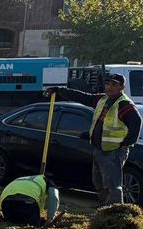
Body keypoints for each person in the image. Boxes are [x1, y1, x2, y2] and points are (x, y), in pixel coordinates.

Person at [48, 74, 141, 205]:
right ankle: (104, 208)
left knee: (112, 185)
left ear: (121, 87)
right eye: (108, 84)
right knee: (98, 182)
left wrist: (126, 143)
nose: (109, 87)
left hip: (113, 151)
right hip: (99, 149)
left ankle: (114, 211)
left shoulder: (124, 104)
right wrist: (60, 90)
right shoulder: (102, 99)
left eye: (114, 85)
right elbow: (82, 97)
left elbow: (136, 123)